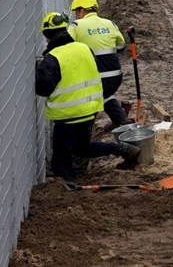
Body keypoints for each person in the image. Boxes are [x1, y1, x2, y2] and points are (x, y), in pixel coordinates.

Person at [35, 12, 140, 180]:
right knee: (81, 149)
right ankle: (121, 149)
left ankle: (69, 187)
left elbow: (43, 89)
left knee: (61, 161)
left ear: (47, 35)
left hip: (67, 115)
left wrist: (37, 71)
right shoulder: (85, 48)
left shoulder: (52, 58)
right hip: (90, 110)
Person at [68, 0, 132, 130]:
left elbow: (67, 49)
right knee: (104, 94)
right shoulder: (109, 23)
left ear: (81, 10)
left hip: (94, 78)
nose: (76, 16)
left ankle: (86, 132)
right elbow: (121, 46)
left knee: (90, 101)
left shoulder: (76, 26)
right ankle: (121, 120)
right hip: (115, 77)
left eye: (76, 12)